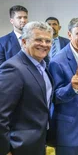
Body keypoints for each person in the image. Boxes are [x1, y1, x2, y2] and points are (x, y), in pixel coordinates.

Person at [0, 21, 53, 155]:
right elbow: (1, 115)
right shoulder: (13, 69)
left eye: (48, 41)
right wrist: (5, 150)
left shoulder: (43, 66)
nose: (44, 44)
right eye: (38, 40)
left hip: (38, 142)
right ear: (24, 42)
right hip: (18, 146)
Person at [49, 18, 78, 155]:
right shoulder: (58, 61)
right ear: (69, 34)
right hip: (70, 127)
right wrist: (72, 87)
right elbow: (55, 97)